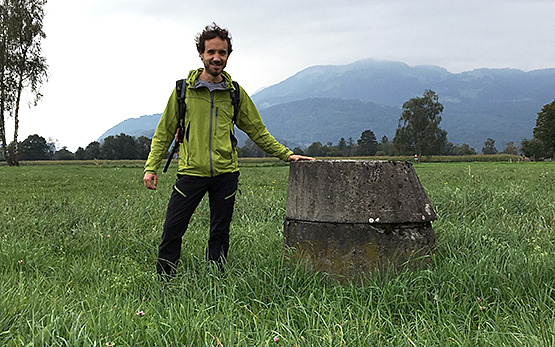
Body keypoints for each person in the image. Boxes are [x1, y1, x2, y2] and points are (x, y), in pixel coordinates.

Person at [143, 23, 314, 277]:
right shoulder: (183, 91)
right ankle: (164, 279)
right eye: (211, 52)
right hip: (191, 172)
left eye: (221, 53)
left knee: (220, 231)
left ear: (227, 56)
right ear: (201, 54)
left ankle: (216, 276)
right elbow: (164, 132)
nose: (216, 58)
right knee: (173, 228)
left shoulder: (234, 93)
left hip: (226, 173)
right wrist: (151, 167)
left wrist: (286, 154)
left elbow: (257, 130)